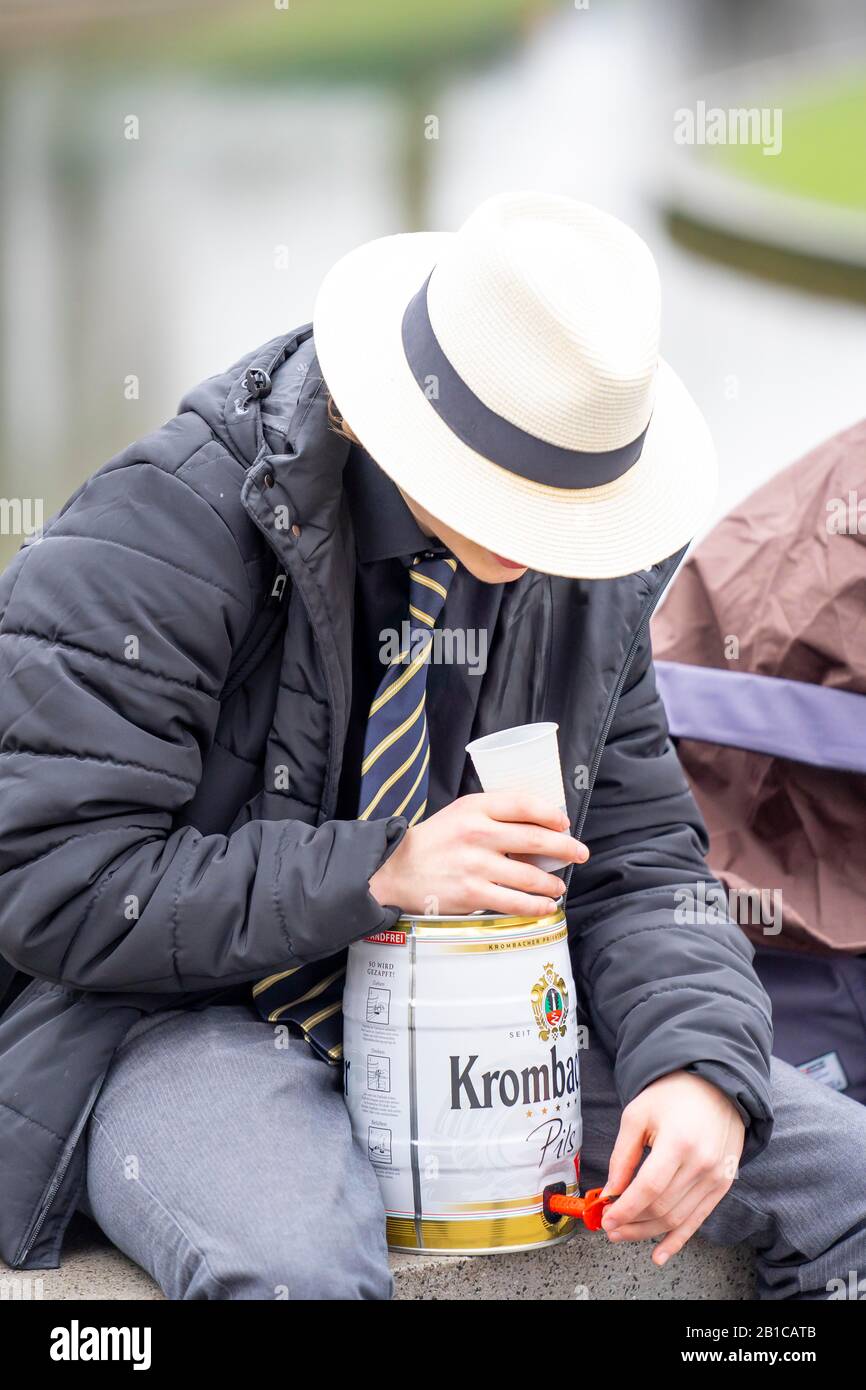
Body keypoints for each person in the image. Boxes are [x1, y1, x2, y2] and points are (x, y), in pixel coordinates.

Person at [0, 192, 863, 1300]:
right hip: (188, 1022)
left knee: (842, 1179)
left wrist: (696, 1062)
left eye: (575, 496)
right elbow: (50, 882)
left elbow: (641, 861)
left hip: (493, 1019)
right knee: (295, 1269)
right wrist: (381, 871)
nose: (556, 535)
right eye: (527, 491)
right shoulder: (157, 528)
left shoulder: (578, 564)